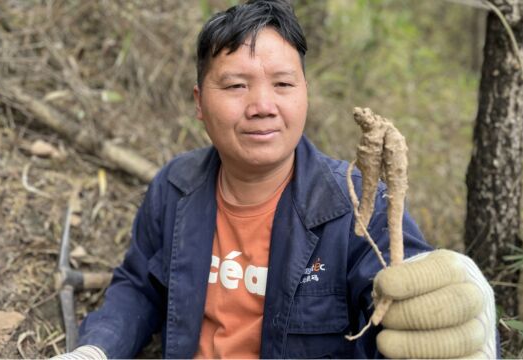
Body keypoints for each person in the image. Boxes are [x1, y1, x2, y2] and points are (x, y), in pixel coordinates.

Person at [60, 0, 498, 358]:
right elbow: (140, 288)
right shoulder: (176, 186)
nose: (262, 105)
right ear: (199, 102)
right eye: (235, 86)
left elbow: (403, 297)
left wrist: (464, 301)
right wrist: (97, 349)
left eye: (283, 84)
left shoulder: (357, 205)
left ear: (305, 91)